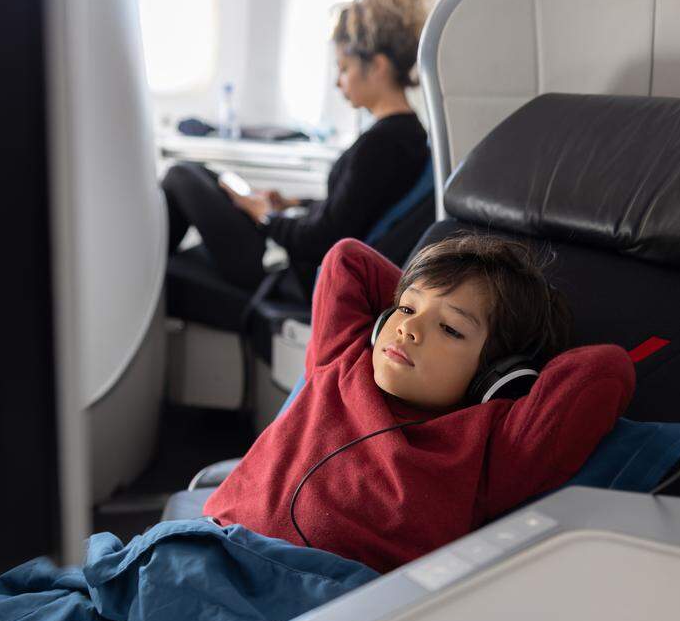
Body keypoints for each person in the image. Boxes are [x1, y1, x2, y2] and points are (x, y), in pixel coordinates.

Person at [202, 235, 636, 572]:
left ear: (495, 374)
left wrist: (509, 377)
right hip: (209, 545)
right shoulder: (342, 356)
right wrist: (440, 287)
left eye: (450, 329)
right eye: (407, 309)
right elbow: (347, 258)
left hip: (319, 607)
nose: (410, 330)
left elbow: (603, 369)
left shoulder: (494, 444)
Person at [162, 0, 433, 293]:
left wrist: (267, 216)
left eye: (344, 69)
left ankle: (136, 285)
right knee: (210, 178)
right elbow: (352, 207)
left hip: (293, 269)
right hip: (296, 254)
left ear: (377, 67)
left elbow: (323, 238)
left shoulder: (382, 145)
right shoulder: (406, 134)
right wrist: (291, 202)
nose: (337, 82)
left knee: (181, 176)